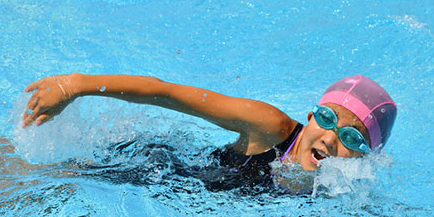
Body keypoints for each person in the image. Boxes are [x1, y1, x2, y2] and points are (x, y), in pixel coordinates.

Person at [23, 73, 396, 189]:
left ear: (367, 157)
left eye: (352, 138)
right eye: (328, 119)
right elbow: (171, 94)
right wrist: (75, 86)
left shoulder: (342, 193)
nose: (331, 138)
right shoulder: (270, 127)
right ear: (311, 116)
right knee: (37, 183)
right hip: (157, 172)